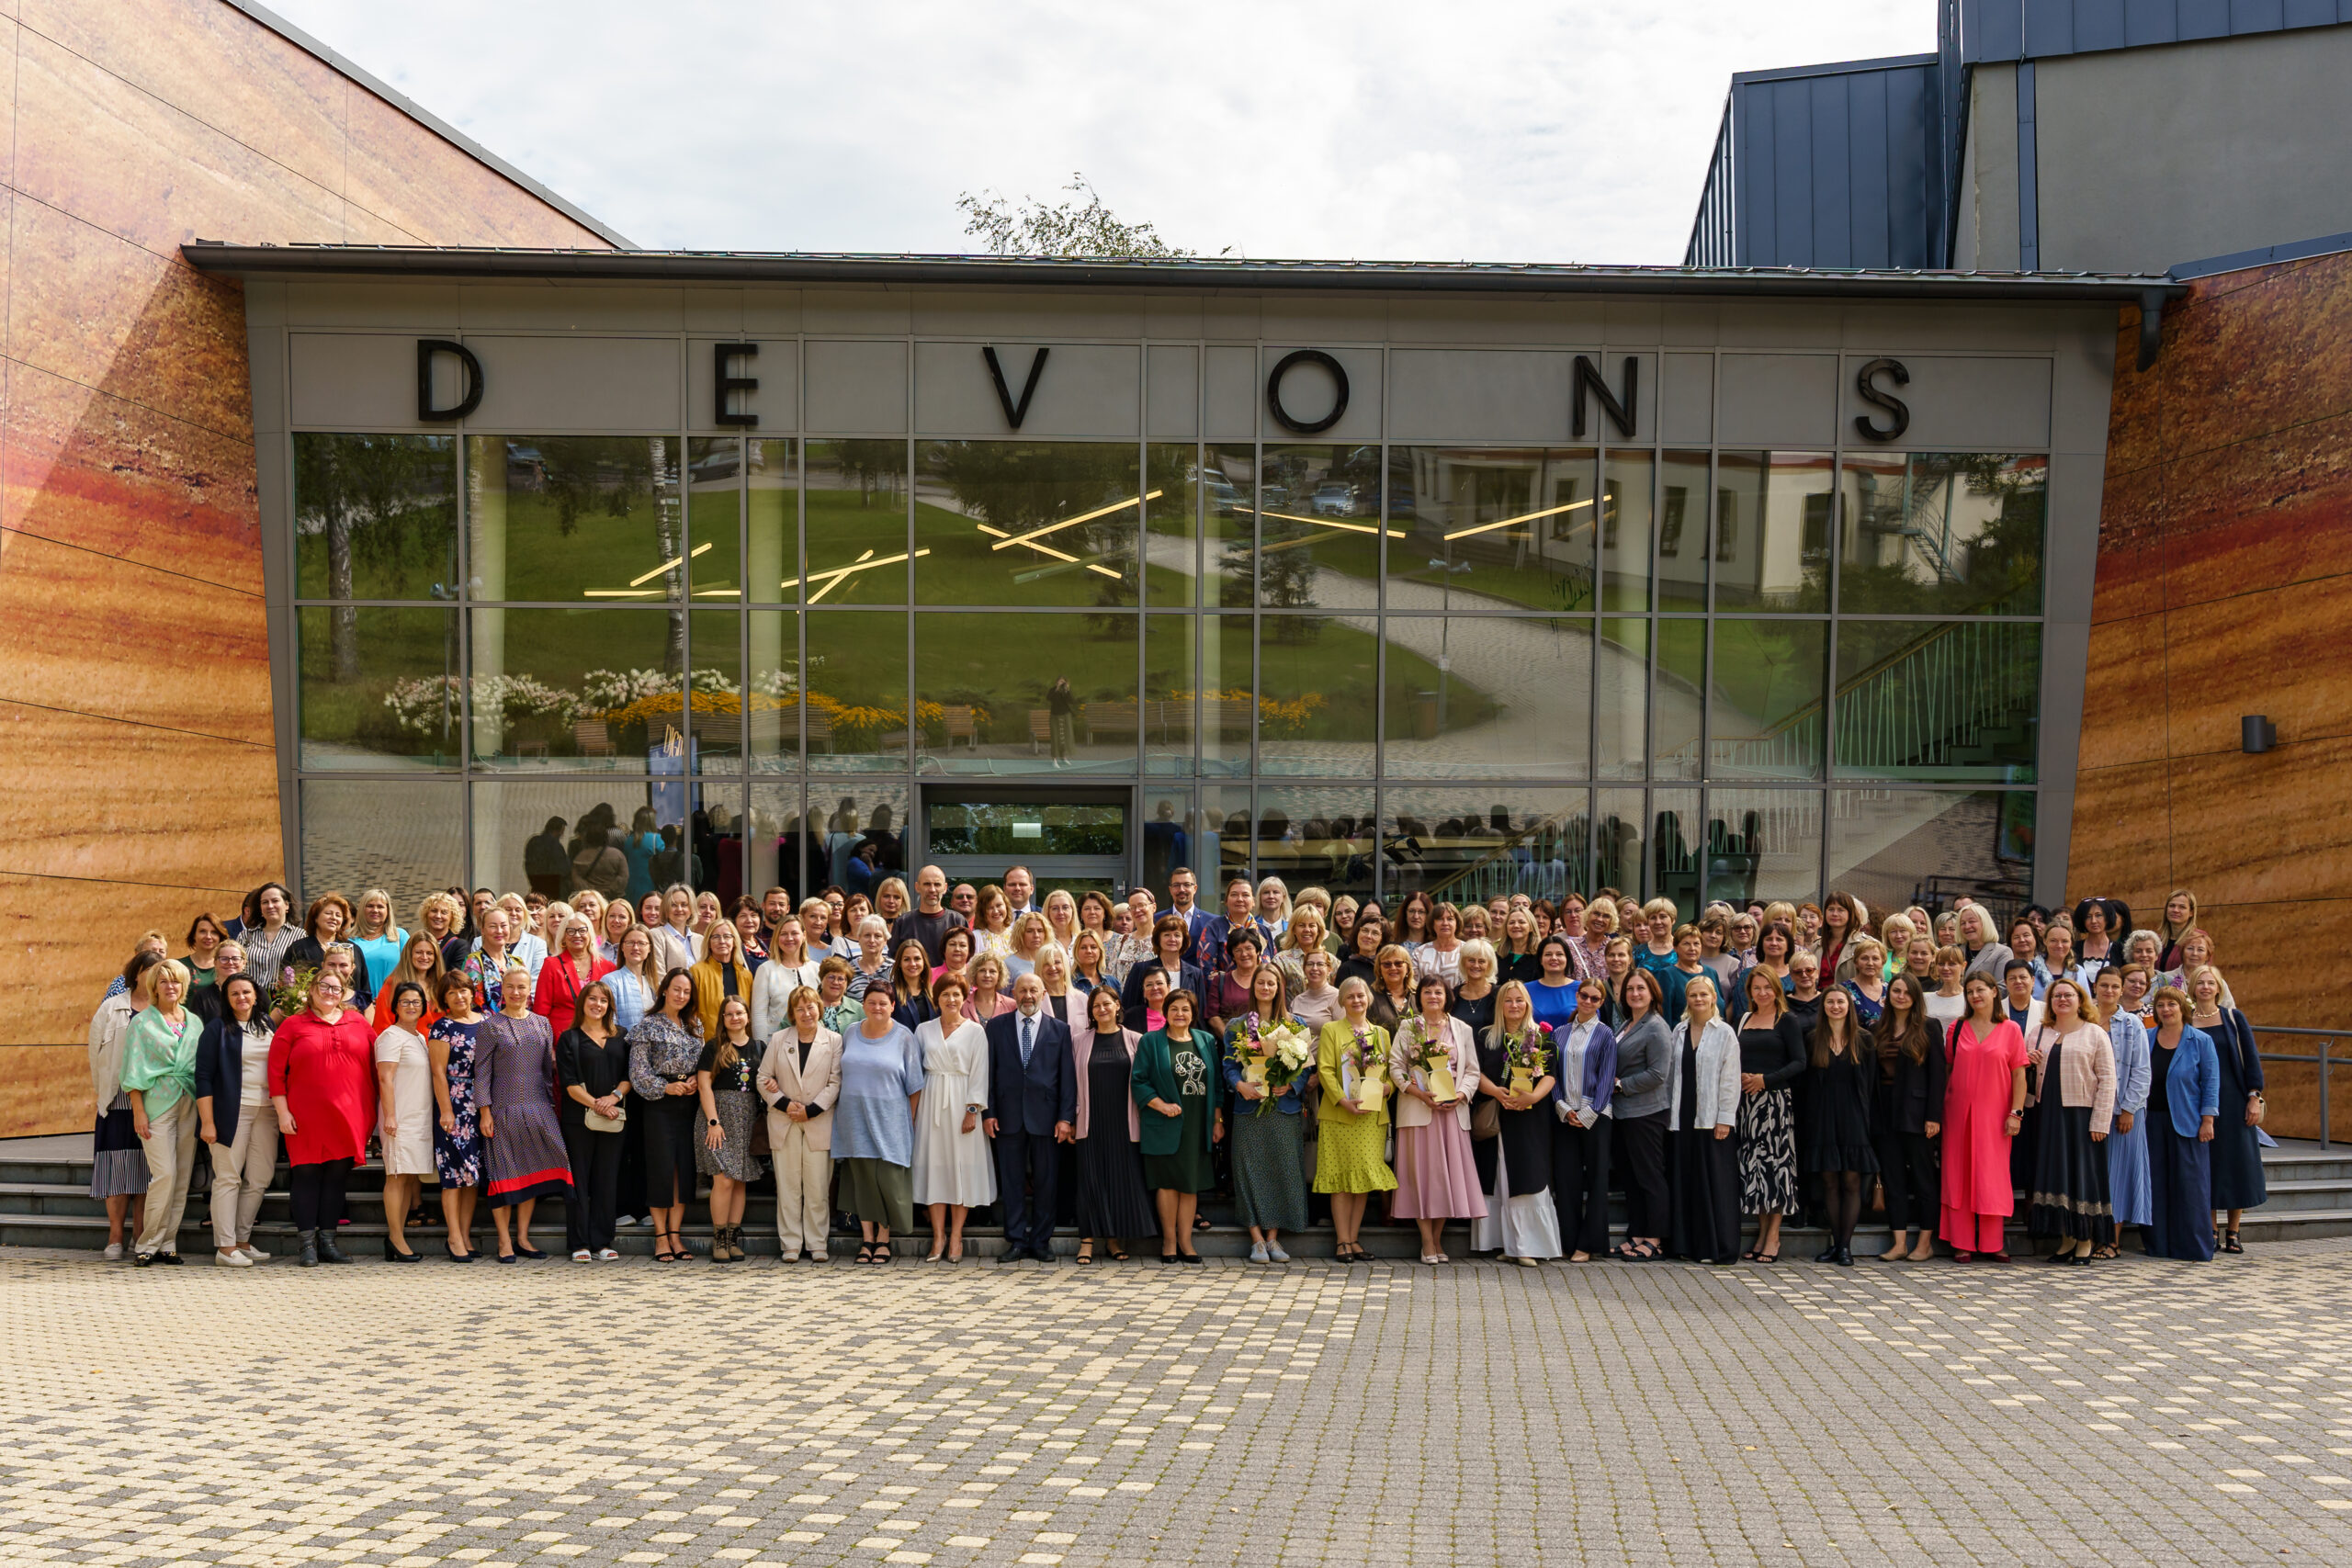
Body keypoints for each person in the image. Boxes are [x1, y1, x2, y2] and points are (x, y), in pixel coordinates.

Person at [267, 971, 378, 1267]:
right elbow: (275, 1073)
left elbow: (377, 1067)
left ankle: (328, 1242)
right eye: (324, 986)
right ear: (312, 990)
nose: (330, 992)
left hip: (349, 1115)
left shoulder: (359, 1024)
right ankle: (306, 1245)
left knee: (336, 1178)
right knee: (305, 1175)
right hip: (304, 1117)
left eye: (336, 988)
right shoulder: (292, 1026)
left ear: (344, 993)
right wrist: (282, 1112)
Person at [1387, 975, 1487, 1265]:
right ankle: (1427, 1241)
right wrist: (1418, 1093)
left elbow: (1472, 1071)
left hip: (1452, 1111)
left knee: (1445, 1178)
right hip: (1419, 1110)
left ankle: (1438, 1238)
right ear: (1420, 997)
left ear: (1447, 997)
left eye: (1438, 992)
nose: (1433, 996)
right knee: (1421, 1177)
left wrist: (1461, 1095)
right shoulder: (1408, 1027)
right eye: (1428, 992)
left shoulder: (1462, 1029)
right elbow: (1396, 1067)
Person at [476, 962, 569, 1261]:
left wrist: (550, 1105)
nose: (516, 992)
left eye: (522, 987)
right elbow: (481, 1073)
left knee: (531, 1174)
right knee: (504, 1175)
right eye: (511, 987)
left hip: (538, 1107)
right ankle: (504, 1242)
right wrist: (484, 1112)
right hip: (502, 1110)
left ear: (530, 992)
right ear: (502, 990)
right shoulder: (490, 1026)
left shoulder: (542, 1023)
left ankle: (523, 1238)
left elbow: (546, 1070)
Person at [2023, 977, 2117, 1265]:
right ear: (2049, 1001)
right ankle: (2066, 1239)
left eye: (2069, 995)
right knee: (2057, 1176)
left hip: (2081, 1116)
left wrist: (2100, 1121)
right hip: (2047, 1114)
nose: (2062, 1000)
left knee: (2082, 1176)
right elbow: (2020, 1072)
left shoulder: (2094, 1033)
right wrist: (2030, 1060)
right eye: (2057, 996)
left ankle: (2085, 1240)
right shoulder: (2039, 1032)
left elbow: (2108, 1078)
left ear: (2080, 1000)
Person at [985, 972, 1077, 1263]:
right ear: (1014, 993)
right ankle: (1015, 1240)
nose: (1027, 996)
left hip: (1047, 1117)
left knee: (1046, 1182)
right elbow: (988, 1072)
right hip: (1007, 1115)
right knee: (1011, 1182)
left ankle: (1040, 1240)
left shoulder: (1059, 1030)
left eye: (1033, 990)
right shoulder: (996, 1027)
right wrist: (989, 1112)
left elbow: (1067, 1078)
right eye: (1022, 990)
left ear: (1043, 994)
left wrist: (1065, 1117)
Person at [1222, 964, 1311, 1263]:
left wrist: (1292, 1085)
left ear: (1279, 987)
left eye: (1271, 983)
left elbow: (1305, 1066)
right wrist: (1239, 1085)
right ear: (1254, 986)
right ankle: (1256, 1239)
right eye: (1261, 982)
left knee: (1282, 1170)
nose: (1265, 987)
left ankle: (1274, 1239)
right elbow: (1229, 1066)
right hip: (1249, 1108)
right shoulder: (1237, 1025)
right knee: (1248, 1172)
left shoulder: (1295, 1023)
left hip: (1283, 1110)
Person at [1939, 974, 2030, 1261]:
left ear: (1994, 992)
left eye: (1981, 990)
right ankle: (1961, 1241)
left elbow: (2019, 1074)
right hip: (1957, 1114)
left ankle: (1993, 1242)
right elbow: (1949, 1069)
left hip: (1996, 1115)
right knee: (1958, 1175)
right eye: (1970, 991)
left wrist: (2015, 1113)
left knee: (1992, 1177)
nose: (1975, 995)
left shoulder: (2011, 1029)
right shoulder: (1956, 1028)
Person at [120, 959, 205, 1266]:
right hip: (156, 1104)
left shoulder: (194, 1022)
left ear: (184, 987)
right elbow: (131, 1070)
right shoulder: (142, 1022)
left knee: (181, 1176)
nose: (171, 986)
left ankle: (168, 1242)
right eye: (165, 981)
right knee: (164, 1174)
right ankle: (147, 1243)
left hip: (189, 1102)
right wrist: (138, 1112)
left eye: (176, 981)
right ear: (154, 986)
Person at [1470, 980, 1561, 1266]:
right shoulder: (1486, 1037)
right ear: (1500, 1005)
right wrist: (1496, 1092)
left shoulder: (1541, 1037)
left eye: (1519, 1001)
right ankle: (1505, 1244)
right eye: (1508, 1001)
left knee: (1527, 1176)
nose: (1514, 1006)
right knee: (1499, 1176)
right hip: (1497, 1113)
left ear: (1527, 1004)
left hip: (1529, 1117)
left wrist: (1531, 1096)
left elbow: (1550, 1075)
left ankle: (1527, 1246)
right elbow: (1476, 1072)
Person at [836, 982, 926, 1263]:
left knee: (887, 1181)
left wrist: (907, 1123)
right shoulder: (851, 1032)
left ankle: (884, 1239)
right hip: (854, 1120)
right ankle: (867, 1239)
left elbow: (915, 1087)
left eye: (883, 1003)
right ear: (863, 1004)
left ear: (892, 1006)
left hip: (891, 1120)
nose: (877, 1008)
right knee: (862, 1180)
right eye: (872, 1002)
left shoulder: (904, 1036)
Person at [1133, 988, 1224, 1264]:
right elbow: (1139, 1081)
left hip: (1198, 1122)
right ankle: (1169, 1242)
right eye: (1174, 1009)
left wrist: (1217, 1120)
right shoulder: (1150, 1041)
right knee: (1168, 1184)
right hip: (1164, 1122)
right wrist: (1160, 1105)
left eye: (1185, 1009)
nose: (1180, 1014)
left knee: (1190, 1184)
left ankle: (1186, 1242)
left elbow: (1216, 1084)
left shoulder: (1206, 1040)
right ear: (1166, 1012)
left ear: (1193, 1013)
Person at [911, 975, 995, 1262]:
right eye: (945, 994)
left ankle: (957, 1235)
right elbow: (914, 1074)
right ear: (937, 998)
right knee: (935, 1168)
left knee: (961, 1168)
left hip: (962, 1101)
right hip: (931, 1101)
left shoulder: (975, 1032)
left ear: (964, 998)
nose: (951, 1000)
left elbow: (980, 1071)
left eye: (956, 994)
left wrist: (973, 1110)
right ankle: (938, 1236)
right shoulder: (923, 1030)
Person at [193, 972, 275, 1266]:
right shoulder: (216, 1029)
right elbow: (202, 1077)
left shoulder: (267, 1024)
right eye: (235, 994)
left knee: (260, 1177)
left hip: (266, 1112)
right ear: (227, 1000)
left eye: (246, 992)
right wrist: (208, 1121)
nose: (242, 997)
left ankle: (242, 1239)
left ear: (256, 995)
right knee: (228, 1177)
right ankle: (225, 1247)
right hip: (231, 1113)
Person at [2180, 964, 2264, 1253]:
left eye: (2210, 982)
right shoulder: (2186, 1019)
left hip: (2233, 1102)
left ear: (2218, 987)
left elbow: (2251, 1060)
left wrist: (2254, 1097)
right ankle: (2211, 1230)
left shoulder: (2232, 1017)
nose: (2205, 987)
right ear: (2192, 988)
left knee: (2237, 1165)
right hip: (2198, 1103)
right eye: (2200, 982)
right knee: (2208, 1165)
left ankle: (2234, 1232)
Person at [758, 982, 842, 1263]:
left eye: (811, 1007)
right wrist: (784, 1104)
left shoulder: (834, 1041)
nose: (806, 1013)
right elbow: (762, 1078)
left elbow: (835, 1081)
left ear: (819, 1008)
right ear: (792, 1014)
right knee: (788, 1185)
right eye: (799, 1008)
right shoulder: (780, 1039)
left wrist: (812, 1110)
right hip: (785, 1120)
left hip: (818, 1121)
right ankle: (791, 1244)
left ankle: (817, 1243)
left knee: (818, 1186)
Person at [1312, 978, 1394, 1262]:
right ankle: (1341, 1241)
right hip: (1340, 1115)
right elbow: (1324, 1070)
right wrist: (1342, 1100)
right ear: (1342, 1001)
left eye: (1361, 995)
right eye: (1350, 996)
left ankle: (1354, 1239)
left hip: (1371, 1117)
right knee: (1342, 1182)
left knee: (1362, 1182)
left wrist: (1388, 1089)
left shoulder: (1381, 1034)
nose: (1356, 1000)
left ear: (1368, 999)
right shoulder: (1331, 1030)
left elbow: (1388, 1074)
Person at [1070, 984, 1153, 1263]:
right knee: (1090, 1181)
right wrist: (1069, 1118)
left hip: (1125, 1121)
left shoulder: (1137, 1040)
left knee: (1120, 1181)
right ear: (1091, 1012)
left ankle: (1115, 1239)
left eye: (1107, 1003)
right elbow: (1070, 1083)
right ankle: (1087, 1241)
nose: (1102, 1009)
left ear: (1118, 1005)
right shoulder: (1079, 1041)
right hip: (1090, 1121)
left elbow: (1145, 1082)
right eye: (1096, 1006)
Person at [629, 970, 707, 1265]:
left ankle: (675, 1234)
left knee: (683, 1170)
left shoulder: (694, 1025)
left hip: (688, 1104)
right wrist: (667, 1086)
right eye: (676, 990)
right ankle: (660, 1236)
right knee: (661, 1168)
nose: (681, 996)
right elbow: (638, 1073)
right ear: (664, 990)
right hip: (659, 1104)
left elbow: (703, 1063)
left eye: (686, 992)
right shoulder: (647, 1026)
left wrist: (697, 1081)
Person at [1868, 976, 1947, 1262]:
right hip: (1885, 1112)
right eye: (1895, 991)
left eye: (1906, 992)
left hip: (1917, 1114)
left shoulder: (1928, 1026)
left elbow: (1938, 1075)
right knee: (1893, 1179)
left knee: (1923, 1178)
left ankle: (1925, 1243)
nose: (1900, 996)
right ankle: (1899, 1242)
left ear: (1915, 996)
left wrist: (1933, 1116)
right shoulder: (1878, 1028)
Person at [1665, 975, 1743, 1266]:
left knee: (1714, 1184)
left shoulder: (1724, 1033)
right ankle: (1687, 1245)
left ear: (1714, 998)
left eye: (1703, 994)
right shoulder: (1679, 1030)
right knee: (1686, 1180)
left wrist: (1725, 1118)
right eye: (1693, 995)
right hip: (1682, 1117)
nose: (1698, 1000)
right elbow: (1672, 1075)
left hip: (1712, 1119)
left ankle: (1718, 1247)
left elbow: (1730, 1080)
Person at [86, 952, 157, 1259]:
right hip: (117, 1099)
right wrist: (105, 1091)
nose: (152, 977)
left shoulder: (165, 1008)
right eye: (147, 971)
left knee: (146, 1169)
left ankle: (141, 1233)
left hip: (155, 1101)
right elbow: (94, 1055)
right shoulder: (111, 1007)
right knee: (117, 1167)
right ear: (136, 973)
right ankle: (116, 1236)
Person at [1735, 965, 1806, 1265]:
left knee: (1775, 1168)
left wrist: (1765, 1080)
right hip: (1747, 1105)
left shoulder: (1787, 1020)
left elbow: (1800, 1062)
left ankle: (1774, 1236)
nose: (1762, 993)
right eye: (1756, 988)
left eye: (1767, 987)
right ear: (1749, 991)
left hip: (1774, 1103)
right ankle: (1762, 1234)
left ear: (1777, 989)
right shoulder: (1744, 1019)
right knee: (1755, 1169)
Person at [1800, 986, 1875, 1267]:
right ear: (1823, 1006)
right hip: (1822, 1119)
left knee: (1852, 1181)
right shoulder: (1812, 1039)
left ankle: (1845, 1247)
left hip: (1854, 1118)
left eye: (1840, 1001)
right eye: (1829, 1002)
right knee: (1829, 1181)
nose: (1835, 1006)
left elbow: (1871, 1085)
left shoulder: (1864, 1040)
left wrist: (1868, 1123)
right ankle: (1836, 1243)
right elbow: (1806, 1086)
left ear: (1849, 1005)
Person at [554, 979, 629, 1262]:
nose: (597, 1004)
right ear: (582, 1003)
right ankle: (579, 1243)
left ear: (609, 1005)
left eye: (603, 1000)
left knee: (606, 1180)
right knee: (580, 1182)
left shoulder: (621, 1036)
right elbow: (570, 1085)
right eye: (592, 999)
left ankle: (602, 1241)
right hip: (578, 1120)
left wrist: (614, 1098)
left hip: (614, 1117)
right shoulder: (569, 1038)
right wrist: (599, 1105)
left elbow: (628, 1076)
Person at [2144, 986, 2222, 1260]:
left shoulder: (2200, 1040)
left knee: (2191, 1186)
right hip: (2151, 1122)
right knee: (2157, 1184)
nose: (2166, 1010)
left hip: (2188, 1122)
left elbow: (2211, 1083)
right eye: (2161, 1005)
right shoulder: (2148, 1037)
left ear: (2182, 1008)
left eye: (2172, 1005)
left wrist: (2208, 1120)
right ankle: (2159, 1245)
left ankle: (2194, 1247)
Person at [1546, 978, 1617, 1261]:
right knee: (1566, 1180)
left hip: (1596, 1116)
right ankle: (1569, 1240)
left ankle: (1588, 1244)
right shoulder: (1559, 1034)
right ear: (1576, 996)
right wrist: (1562, 1107)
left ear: (1601, 1003)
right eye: (1584, 996)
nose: (1588, 1002)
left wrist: (1588, 1113)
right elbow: (1551, 1075)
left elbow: (1606, 1080)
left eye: (1594, 998)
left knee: (1597, 1180)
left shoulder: (1606, 1035)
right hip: (1565, 1115)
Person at [1609, 969, 1674, 1262]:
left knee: (1649, 1177)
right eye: (1630, 989)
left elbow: (1659, 1074)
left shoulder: (1657, 1027)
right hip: (1624, 1113)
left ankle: (1655, 1240)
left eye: (1641, 989)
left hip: (1647, 1113)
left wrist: (1622, 1085)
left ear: (1652, 993)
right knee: (1631, 1178)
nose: (1635, 994)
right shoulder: (1626, 1024)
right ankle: (1636, 1235)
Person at [694, 997, 762, 1263]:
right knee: (723, 1180)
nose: (735, 1018)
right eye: (729, 1014)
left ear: (748, 1016)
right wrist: (713, 1121)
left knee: (739, 1180)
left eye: (739, 1013)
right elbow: (704, 1085)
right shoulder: (714, 1047)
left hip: (747, 1118)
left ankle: (733, 1238)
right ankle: (719, 1238)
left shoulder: (759, 1047)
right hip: (719, 1117)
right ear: (722, 1019)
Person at [372, 981, 435, 1263]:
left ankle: (396, 1238)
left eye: (417, 1002)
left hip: (418, 1117)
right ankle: (396, 1239)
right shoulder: (390, 1036)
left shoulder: (420, 1037)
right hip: (399, 1118)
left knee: (407, 1177)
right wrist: (391, 1116)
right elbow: (385, 1078)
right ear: (395, 1006)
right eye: (406, 1002)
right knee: (395, 1177)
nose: (412, 1007)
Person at [2091, 965, 2151, 1259]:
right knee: (2095, 1175)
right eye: (2104, 985)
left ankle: (2112, 1240)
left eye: (2115, 987)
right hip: (2089, 1111)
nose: (2110, 991)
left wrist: (2128, 1109)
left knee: (2119, 1176)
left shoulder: (2131, 1024)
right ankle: (2090, 1236)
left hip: (2124, 1113)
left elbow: (2142, 1071)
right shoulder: (2082, 1020)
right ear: (2095, 987)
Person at [426, 973, 486, 1261]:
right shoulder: (442, 1027)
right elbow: (437, 1071)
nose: (460, 997)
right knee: (453, 1174)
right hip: (454, 1104)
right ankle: (453, 1237)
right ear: (444, 999)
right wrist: (446, 1109)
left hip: (482, 1104)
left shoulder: (486, 1021)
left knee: (472, 1175)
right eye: (452, 993)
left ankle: (465, 1233)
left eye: (463, 990)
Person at [531, 915, 615, 1041]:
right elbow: (541, 1012)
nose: (577, 935)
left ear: (590, 934)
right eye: (571, 931)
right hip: (562, 1041)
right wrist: (548, 1047)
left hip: (599, 1041)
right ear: (563, 936)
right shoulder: (552, 965)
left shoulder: (608, 967)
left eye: (582, 930)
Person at [1120, 914, 1204, 1032]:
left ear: (1184, 940)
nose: (1172, 939)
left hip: (1184, 1038)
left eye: (1177, 935)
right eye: (1167, 935)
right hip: (1145, 1035)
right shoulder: (1141, 968)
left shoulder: (1195, 974)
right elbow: (1128, 1006)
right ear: (1158, 939)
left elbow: (1199, 1014)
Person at [370, 934, 447, 1033]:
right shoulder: (393, 984)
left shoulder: (442, 984)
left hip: (440, 1046)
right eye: (419, 952)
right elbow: (382, 1025)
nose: (424, 957)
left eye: (429, 953)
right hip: (405, 1046)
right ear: (409, 954)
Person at [348, 889, 409, 1002]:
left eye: (380, 907)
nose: (375, 910)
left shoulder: (400, 935)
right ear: (362, 909)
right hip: (356, 1004)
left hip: (393, 1003)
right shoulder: (347, 937)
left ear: (388, 911)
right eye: (370, 906)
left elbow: (411, 970)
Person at [1204, 929, 1265, 1039]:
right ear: (1232, 955)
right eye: (1238, 950)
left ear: (1257, 951)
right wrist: (1231, 1041)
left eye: (1249, 948)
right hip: (1229, 1048)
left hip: (1264, 1047)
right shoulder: (1221, 980)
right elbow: (1212, 1016)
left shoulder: (1268, 980)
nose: (1244, 954)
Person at [240, 883, 301, 991]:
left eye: (275, 901)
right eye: (265, 902)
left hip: (282, 1001)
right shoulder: (245, 936)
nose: (270, 906)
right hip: (250, 999)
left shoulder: (300, 936)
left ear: (287, 905)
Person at [1449, 940, 1499, 1036]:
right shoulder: (1453, 996)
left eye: (1481, 961)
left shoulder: (1499, 995)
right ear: (1464, 962)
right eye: (1471, 960)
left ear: (1489, 965)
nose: (1476, 965)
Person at [889, 938, 939, 1031]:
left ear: (924, 962)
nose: (912, 964)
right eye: (906, 959)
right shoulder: (890, 993)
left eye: (917, 959)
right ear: (899, 963)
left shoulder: (934, 992)